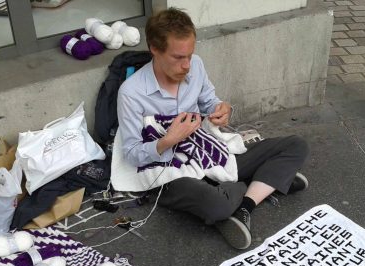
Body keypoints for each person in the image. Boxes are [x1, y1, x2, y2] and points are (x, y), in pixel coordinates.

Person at [115, 8, 309, 249]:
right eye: (178, 58)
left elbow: (210, 102)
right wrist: (167, 140)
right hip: (169, 172)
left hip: (208, 151)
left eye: (190, 55)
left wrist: (223, 109)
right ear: (155, 49)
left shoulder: (195, 64)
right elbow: (132, 153)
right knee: (216, 206)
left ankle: (246, 205)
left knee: (296, 145)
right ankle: (264, 182)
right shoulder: (131, 92)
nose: (187, 65)